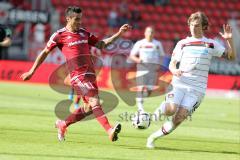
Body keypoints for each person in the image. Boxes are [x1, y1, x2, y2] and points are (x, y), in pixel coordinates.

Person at [21, 6, 131, 142]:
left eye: (81, 19)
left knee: (89, 108)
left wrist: (119, 34)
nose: (79, 22)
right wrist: (32, 71)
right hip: (78, 76)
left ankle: (63, 124)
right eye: (76, 19)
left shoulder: (84, 33)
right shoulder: (59, 35)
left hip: (90, 75)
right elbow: (44, 52)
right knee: (94, 101)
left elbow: (102, 44)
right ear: (68, 19)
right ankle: (109, 130)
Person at [146, 11, 236, 149]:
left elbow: (231, 57)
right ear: (189, 25)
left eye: (198, 25)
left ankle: (152, 138)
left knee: (179, 118)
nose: (194, 28)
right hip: (180, 83)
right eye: (192, 25)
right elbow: (172, 63)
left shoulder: (211, 44)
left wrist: (229, 40)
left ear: (204, 27)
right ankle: (156, 112)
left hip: (197, 89)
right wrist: (174, 70)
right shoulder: (182, 43)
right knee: (170, 110)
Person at [129, 26, 165, 113]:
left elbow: (161, 56)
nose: (150, 34)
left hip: (153, 69)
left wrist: (159, 65)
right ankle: (140, 107)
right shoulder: (140, 43)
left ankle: (143, 97)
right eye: (148, 32)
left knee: (149, 90)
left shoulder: (157, 44)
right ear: (145, 33)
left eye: (152, 32)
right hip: (142, 67)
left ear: (154, 34)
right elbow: (132, 55)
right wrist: (138, 60)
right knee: (140, 87)